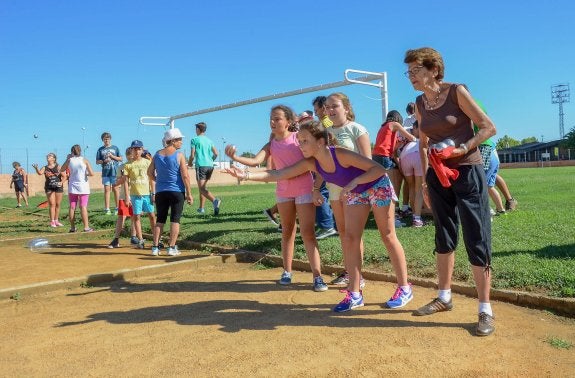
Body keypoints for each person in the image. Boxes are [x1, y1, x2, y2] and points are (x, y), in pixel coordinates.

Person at [225, 120, 413, 312]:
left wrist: (355, 181)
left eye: (305, 141)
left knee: (387, 235)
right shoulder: (311, 163)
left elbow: (378, 169)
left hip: (376, 185)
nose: (300, 145)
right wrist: (245, 175)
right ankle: (355, 294)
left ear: (321, 142)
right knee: (350, 238)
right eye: (299, 140)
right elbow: (279, 173)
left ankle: (404, 288)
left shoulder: (339, 153)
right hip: (355, 191)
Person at [404, 47, 496, 336]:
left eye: (416, 70)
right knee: (443, 235)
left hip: (468, 171)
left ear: (434, 69)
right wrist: (424, 181)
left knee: (476, 236)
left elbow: (488, 127)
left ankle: (484, 309)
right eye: (408, 72)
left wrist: (463, 148)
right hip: (437, 175)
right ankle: (444, 297)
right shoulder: (419, 102)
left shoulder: (456, 91)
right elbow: (421, 143)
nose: (411, 76)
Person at [225, 105, 328, 292]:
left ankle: (317, 276)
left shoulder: (299, 139)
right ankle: (287, 272)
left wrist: (315, 189)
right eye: (271, 119)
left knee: (308, 234)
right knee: (287, 231)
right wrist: (236, 157)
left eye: (277, 119)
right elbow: (256, 161)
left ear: (289, 121)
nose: (273, 122)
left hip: (303, 189)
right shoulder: (272, 143)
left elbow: (317, 164)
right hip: (283, 191)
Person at [324, 92, 371, 287]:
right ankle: (348, 272)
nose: (330, 110)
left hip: (354, 189)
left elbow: (368, 163)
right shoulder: (326, 133)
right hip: (334, 189)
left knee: (354, 234)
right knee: (343, 232)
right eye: (327, 107)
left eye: (334, 106)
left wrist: (357, 185)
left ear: (346, 108)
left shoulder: (356, 129)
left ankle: (358, 276)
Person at [148, 128, 194, 256]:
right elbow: (185, 176)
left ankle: (155, 248)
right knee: (175, 220)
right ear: (172, 141)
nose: (181, 142)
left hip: (161, 192)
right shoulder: (179, 155)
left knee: (160, 220)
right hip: (176, 191)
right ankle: (171, 247)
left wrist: (158, 180)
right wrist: (189, 193)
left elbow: (149, 173)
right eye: (179, 139)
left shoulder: (157, 154)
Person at [372, 110, 417, 209]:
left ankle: (391, 209)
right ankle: (394, 213)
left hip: (376, 157)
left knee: (381, 186)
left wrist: (398, 144)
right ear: (398, 119)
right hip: (384, 156)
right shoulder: (394, 124)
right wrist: (418, 141)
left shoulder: (383, 127)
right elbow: (411, 137)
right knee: (391, 186)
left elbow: (391, 147)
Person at [311, 96, 337, 240]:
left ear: (323, 108)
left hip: (326, 161)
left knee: (321, 191)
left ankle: (327, 226)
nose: (316, 113)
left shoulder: (326, 121)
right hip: (327, 160)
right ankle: (334, 225)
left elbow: (330, 136)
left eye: (317, 109)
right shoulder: (326, 121)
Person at [123, 140, 156, 249]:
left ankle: (157, 238)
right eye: (134, 149)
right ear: (131, 150)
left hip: (147, 194)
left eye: (138, 149)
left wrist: (153, 193)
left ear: (142, 149)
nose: (136, 151)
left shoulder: (147, 162)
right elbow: (126, 182)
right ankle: (141, 239)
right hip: (135, 195)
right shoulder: (128, 165)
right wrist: (127, 197)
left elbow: (152, 179)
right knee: (136, 216)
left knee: (152, 216)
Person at [188, 122, 221, 216]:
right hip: (210, 166)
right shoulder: (209, 141)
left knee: (202, 189)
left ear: (198, 129)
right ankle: (201, 208)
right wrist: (210, 160)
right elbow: (216, 153)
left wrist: (190, 163)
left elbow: (192, 154)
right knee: (202, 188)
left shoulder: (194, 140)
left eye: (196, 129)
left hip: (201, 166)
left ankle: (215, 201)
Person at [108, 147, 138, 248]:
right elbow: (117, 182)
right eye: (128, 156)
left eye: (132, 156)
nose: (131, 158)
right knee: (121, 217)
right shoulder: (121, 167)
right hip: (124, 196)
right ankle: (116, 239)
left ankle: (133, 237)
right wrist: (124, 178)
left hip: (136, 194)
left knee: (135, 216)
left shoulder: (138, 166)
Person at [60, 144, 95, 232]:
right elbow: (92, 173)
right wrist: (85, 174)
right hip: (83, 187)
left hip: (72, 186)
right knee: (83, 206)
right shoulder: (85, 160)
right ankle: (86, 227)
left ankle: (72, 228)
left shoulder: (69, 160)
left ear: (72, 152)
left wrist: (67, 159)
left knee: (72, 207)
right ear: (80, 151)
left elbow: (61, 169)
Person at [398, 121, 425, 227]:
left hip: (404, 157)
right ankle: (417, 218)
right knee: (419, 189)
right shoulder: (424, 138)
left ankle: (414, 213)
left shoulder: (408, 138)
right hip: (418, 155)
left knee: (411, 186)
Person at [32, 153, 66, 227]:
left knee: (58, 204)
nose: (48, 156)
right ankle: (52, 221)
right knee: (52, 204)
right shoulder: (45, 167)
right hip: (49, 187)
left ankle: (56, 220)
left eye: (50, 156)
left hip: (58, 187)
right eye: (47, 156)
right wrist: (36, 168)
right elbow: (40, 173)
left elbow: (64, 176)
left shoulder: (58, 167)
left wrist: (61, 182)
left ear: (54, 159)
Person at [95, 132, 122, 215]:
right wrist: (103, 161)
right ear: (102, 140)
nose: (106, 140)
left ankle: (117, 207)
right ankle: (107, 209)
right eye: (105, 139)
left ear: (110, 139)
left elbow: (120, 158)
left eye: (108, 138)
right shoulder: (100, 149)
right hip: (105, 173)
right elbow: (97, 161)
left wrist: (112, 157)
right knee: (107, 189)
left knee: (115, 189)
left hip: (115, 172)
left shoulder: (115, 148)